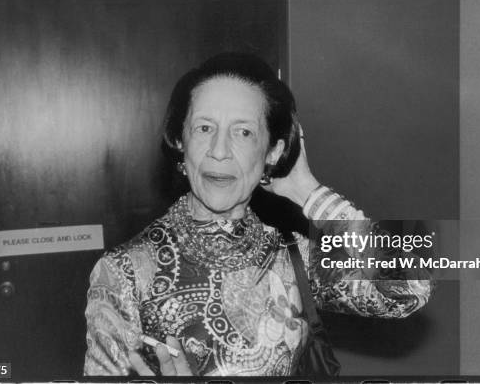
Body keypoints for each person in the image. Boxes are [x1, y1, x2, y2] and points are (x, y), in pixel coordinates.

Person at [83, 53, 433, 376]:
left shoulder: (293, 257)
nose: (219, 151)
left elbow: (412, 283)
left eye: (244, 132)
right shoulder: (125, 272)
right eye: (204, 128)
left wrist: (306, 190)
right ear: (179, 140)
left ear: (273, 151)